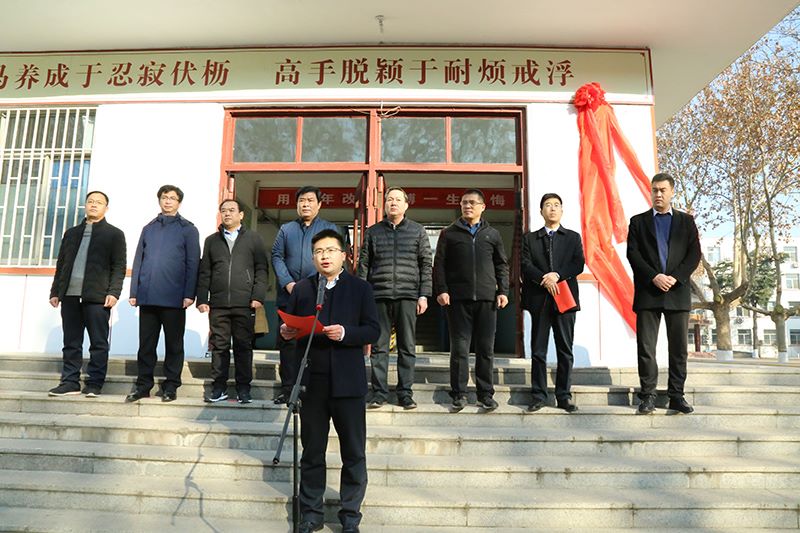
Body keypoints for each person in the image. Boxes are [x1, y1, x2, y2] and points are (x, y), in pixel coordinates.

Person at [280, 229, 379, 533]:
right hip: (313, 383)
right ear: (313, 258)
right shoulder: (303, 290)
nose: (324, 256)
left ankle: (350, 516)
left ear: (344, 255)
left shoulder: (360, 288)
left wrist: (346, 333)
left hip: (348, 383)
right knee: (312, 452)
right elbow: (289, 328)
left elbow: (373, 330)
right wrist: (286, 332)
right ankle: (311, 514)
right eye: (318, 252)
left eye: (330, 250)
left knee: (353, 452)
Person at [627, 173, 701, 415]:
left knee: (678, 349)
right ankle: (647, 396)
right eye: (654, 190)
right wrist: (654, 276)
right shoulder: (638, 222)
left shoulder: (686, 221)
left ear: (672, 192)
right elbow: (633, 254)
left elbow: (694, 254)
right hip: (648, 292)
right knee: (646, 347)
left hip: (677, 292)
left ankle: (676, 396)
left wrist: (675, 277)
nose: (658, 194)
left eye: (662, 190)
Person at [433, 189, 509, 412]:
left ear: (483, 207)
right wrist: (442, 290)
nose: (468, 206)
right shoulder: (449, 234)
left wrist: (503, 291)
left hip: (487, 299)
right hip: (458, 299)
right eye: (464, 202)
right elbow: (439, 265)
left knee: (485, 348)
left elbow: (501, 265)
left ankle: (486, 394)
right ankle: (459, 394)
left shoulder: (492, 234)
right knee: (460, 348)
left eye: (473, 203)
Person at [358, 186, 432, 410]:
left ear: (406, 205)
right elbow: (363, 265)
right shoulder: (373, 232)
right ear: (385, 204)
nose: (393, 203)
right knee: (379, 347)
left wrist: (424, 295)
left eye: (398, 200)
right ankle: (379, 393)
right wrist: (362, 295)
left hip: (408, 295)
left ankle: (405, 393)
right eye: (390, 199)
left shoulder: (417, 231)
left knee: (407, 346)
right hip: (378, 295)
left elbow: (426, 264)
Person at [126, 185, 200, 403]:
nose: (168, 201)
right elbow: (139, 260)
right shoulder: (149, 228)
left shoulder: (188, 229)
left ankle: (171, 386)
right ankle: (143, 385)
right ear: (159, 200)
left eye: (172, 198)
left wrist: (190, 294)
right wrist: (134, 291)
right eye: (164, 197)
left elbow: (193, 263)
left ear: (179, 203)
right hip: (148, 296)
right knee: (146, 345)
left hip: (174, 297)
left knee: (174, 345)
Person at [48, 191, 126, 397]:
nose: (93, 205)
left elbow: (119, 266)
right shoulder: (71, 233)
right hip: (70, 296)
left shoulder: (114, 234)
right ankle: (70, 382)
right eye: (90, 201)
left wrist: (114, 292)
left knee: (98, 343)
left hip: (97, 297)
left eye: (99, 202)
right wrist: (55, 291)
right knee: (71, 342)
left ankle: (95, 383)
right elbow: (61, 264)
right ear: (85, 205)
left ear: (106, 208)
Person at [271, 186, 339, 404]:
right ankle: (288, 389)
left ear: (319, 204)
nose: (305, 204)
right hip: (289, 296)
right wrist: (288, 283)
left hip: (318, 295)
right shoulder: (286, 229)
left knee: (318, 342)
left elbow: (332, 259)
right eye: (302, 200)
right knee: (288, 343)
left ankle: (314, 389)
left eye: (310, 200)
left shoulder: (329, 229)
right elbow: (277, 256)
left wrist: (310, 285)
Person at [196, 199, 268, 404]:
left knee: (243, 346)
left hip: (245, 303)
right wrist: (202, 298)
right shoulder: (211, 241)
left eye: (231, 210)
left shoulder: (253, 239)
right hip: (218, 303)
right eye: (223, 210)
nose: (227, 213)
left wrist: (258, 296)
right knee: (219, 346)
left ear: (241, 215)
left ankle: (244, 389)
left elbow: (262, 269)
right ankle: (218, 388)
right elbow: (205, 271)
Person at [521, 193, 585, 413]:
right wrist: (544, 278)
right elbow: (525, 265)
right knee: (538, 350)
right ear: (541, 211)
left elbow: (578, 264)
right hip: (540, 300)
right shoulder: (530, 238)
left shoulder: (572, 237)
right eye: (548, 205)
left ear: (562, 210)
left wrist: (557, 275)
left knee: (565, 350)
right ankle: (538, 395)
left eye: (557, 205)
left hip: (565, 299)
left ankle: (563, 396)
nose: (552, 208)